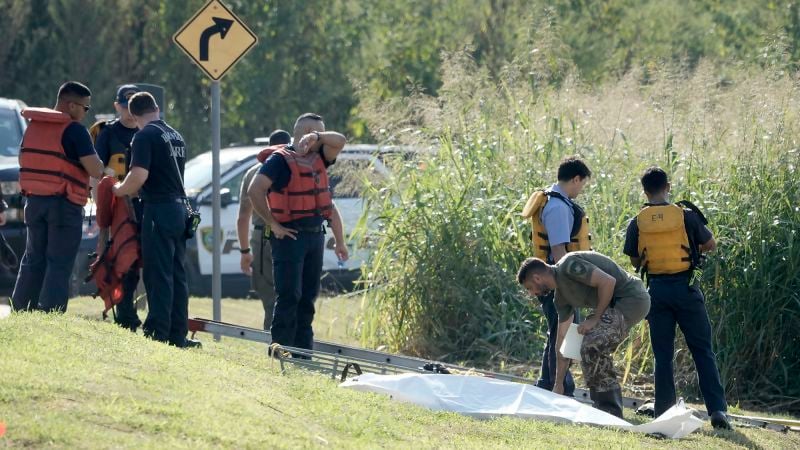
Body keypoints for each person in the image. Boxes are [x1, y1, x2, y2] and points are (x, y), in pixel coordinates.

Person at [623, 167, 731, 429]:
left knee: (662, 355)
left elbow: (635, 260)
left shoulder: (637, 222)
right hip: (687, 289)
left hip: (657, 292)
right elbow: (711, 244)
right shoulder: (686, 216)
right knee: (703, 350)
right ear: (667, 186)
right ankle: (717, 410)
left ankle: (664, 410)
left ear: (644, 191)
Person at [248, 113, 347, 352]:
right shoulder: (279, 161)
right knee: (289, 295)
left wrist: (340, 242)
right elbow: (255, 190)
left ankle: (303, 352)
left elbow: (340, 140)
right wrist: (273, 223)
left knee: (308, 297)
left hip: (315, 236)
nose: (325, 142)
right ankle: (280, 349)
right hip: (289, 237)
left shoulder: (320, 157)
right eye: (318, 134)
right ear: (304, 133)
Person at [112, 92, 199, 348]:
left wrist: (118, 190)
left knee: (157, 273)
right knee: (177, 274)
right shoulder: (175, 134)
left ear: (131, 114)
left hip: (158, 210)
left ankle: (157, 331)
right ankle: (177, 333)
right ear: (157, 108)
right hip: (180, 210)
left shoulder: (144, 136)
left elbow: (138, 176)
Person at [517, 251, 651, 418]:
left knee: (592, 343)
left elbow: (608, 282)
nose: (531, 293)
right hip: (613, 306)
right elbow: (561, 341)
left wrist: (595, 318)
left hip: (631, 298)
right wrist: (558, 384)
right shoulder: (560, 298)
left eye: (530, 288)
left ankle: (609, 411)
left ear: (537, 278)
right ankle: (604, 408)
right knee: (585, 345)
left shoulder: (569, 265)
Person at [12, 81, 104, 313]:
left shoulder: (34, 126)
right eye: (86, 108)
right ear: (72, 106)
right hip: (63, 204)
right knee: (59, 261)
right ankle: (51, 311)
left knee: (33, 258)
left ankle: (22, 309)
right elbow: (95, 169)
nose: (85, 113)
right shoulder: (74, 130)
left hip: (34, 201)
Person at [520, 156, 592, 396]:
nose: (581, 189)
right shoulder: (559, 207)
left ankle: (549, 382)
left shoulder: (551, 200)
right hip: (557, 280)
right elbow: (560, 251)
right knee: (564, 332)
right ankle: (555, 384)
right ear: (575, 178)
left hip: (554, 278)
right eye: (582, 184)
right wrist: (570, 284)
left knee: (558, 331)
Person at [93, 84, 142, 331]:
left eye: (133, 106)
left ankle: (130, 310)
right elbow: (99, 174)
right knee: (123, 257)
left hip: (143, 202)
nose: (129, 112)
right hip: (118, 203)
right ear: (117, 106)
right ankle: (124, 311)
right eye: (125, 106)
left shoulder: (147, 131)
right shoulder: (108, 133)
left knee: (141, 259)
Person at [237, 129, 291, 330]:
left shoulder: (254, 172)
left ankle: (274, 342)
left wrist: (244, 252)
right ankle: (297, 345)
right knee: (293, 295)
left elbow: (243, 217)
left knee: (271, 300)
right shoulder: (299, 166)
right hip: (294, 235)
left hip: (264, 237)